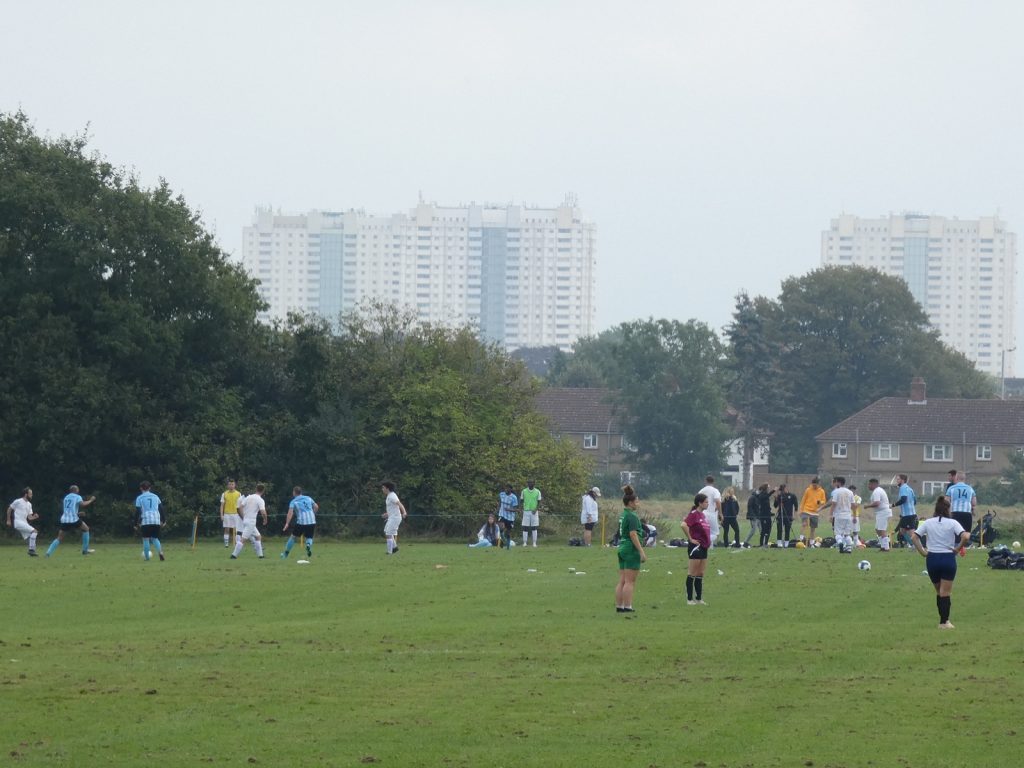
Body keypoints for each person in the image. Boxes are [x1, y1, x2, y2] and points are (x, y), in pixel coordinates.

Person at [911, 496, 970, 629]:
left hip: (932, 558)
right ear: (948, 509)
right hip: (947, 558)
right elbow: (965, 536)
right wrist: (957, 549)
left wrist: (922, 552)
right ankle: (945, 622)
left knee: (939, 591)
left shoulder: (928, 522)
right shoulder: (953, 523)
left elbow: (914, 537)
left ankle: (942, 620)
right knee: (945, 592)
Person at [614, 484, 645, 613]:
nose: (638, 503)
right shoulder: (632, 516)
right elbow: (633, 534)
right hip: (630, 549)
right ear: (630, 502)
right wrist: (641, 551)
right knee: (630, 581)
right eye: (636, 501)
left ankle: (619, 606)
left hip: (622, 547)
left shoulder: (623, 515)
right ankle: (628, 606)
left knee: (622, 580)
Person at [45, 485, 96, 557]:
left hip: (65, 520)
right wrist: (91, 500)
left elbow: (69, 510)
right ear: (76, 490)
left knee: (59, 538)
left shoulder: (66, 498)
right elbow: (83, 504)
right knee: (86, 529)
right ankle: (85, 550)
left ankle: (48, 553)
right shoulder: (77, 497)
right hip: (74, 519)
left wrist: (78, 514)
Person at [681, 493, 712, 605]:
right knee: (692, 573)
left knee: (701, 573)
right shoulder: (694, 514)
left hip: (704, 546)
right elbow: (683, 525)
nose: (708, 504)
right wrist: (690, 539)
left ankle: (699, 598)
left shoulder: (703, 515)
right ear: (700, 503)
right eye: (706, 502)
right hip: (696, 547)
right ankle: (689, 599)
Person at [232, 483, 268, 559]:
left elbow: (240, 507)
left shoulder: (249, 497)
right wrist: (265, 519)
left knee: (258, 536)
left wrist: (244, 516)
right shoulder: (260, 500)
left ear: (256, 489)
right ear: (263, 491)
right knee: (243, 539)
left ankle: (261, 556)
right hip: (251, 522)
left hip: (246, 520)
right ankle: (233, 555)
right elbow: (263, 512)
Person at [281, 486, 318, 559]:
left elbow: (290, 513)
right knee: (309, 537)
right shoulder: (308, 498)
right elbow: (316, 507)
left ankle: (285, 554)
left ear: (294, 492)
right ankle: (308, 545)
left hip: (301, 521)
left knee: (293, 537)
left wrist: (287, 523)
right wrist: (312, 514)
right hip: (312, 520)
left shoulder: (293, 501)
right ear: (301, 492)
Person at [821, 476, 855, 554]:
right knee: (847, 534)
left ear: (838, 482)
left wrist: (830, 515)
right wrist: (854, 515)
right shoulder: (850, 492)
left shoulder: (837, 491)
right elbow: (853, 505)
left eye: (835, 482)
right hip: (848, 515)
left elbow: (833, 504)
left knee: (837, 533)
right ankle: (849, 549)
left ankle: (840, 543)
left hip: (839, 515)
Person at [945, 472, 976, 552]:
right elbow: (974, 503)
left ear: (956, 478)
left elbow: (946, 502)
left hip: (955, 513)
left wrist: (947, 513)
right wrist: (972, 509)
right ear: (964, 478)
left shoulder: (951, 488)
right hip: (966, 513)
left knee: (955, 532)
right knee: (966, 532)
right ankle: (962, 547)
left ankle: (956, 547)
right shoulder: (970, 489)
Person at [135, 481, 166, 562]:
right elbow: (161, 509)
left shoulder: (139, 498)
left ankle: (147, 558)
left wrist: (135, 523)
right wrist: (164, 520)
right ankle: (160, 552)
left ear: (141, 488)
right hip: (156, 520)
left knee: (145, 539)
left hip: (146, 520)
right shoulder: (156, 496)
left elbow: (138, 511)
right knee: (155, 538)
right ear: (149, 488)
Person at [7, 487, 39, 556]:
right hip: (18, 522)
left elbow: (29, 518)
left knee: (30, 538)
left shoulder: (29, 504)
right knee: (35, 531)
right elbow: (9, 509)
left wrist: (35, 517)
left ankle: (32, 553)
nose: (32, 495)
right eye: (30, 494)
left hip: (24, 523)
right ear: (25, 494)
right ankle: (31, 550)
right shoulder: (18, 501)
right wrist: (8, 520)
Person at [863, 478, 892, 551]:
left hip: (883, 512)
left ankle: (886, 548)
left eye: (869, 484)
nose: (868, 486)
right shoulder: (877, 490)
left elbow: (877, 503)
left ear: (874, 484)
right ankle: (883, 546)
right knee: (878, 529)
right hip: (881, 512)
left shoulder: (877, 491)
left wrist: (867, 506)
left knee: (882, 530)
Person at [892, 474, 918, 549]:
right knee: (902, 530)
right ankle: (911, 544)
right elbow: (915, 501)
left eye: (898, 479)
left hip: (908, 514)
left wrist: (893, 505)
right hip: (908, 514)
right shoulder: (910, 489)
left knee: (910, 532)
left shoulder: (903, 488)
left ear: (902, 480)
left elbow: (903, 499)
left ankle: (916, 546)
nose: (897, 481)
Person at [381, 481, 407, 555]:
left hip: (395, 518)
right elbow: (392, 508)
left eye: (383, 487)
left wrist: (404, 512)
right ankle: (395, 548)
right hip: (392, 517)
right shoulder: (389, 496)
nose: (382, 489)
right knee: (387, 531)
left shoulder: (392, 495)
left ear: (387, 488)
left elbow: (399, 504)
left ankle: (390, 552)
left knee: (389, 533)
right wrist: (387, 514)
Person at [697, 475, 722, 549]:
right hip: (711, 514)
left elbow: (696, 502)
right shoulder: (715, 490)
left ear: (705, 481)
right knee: (716, 533)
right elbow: (717, 501)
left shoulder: (701, 491)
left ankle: (709, 547)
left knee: (707, 531)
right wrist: (720, 513)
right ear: (713, 482)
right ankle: (704, 541)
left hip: (702, 513)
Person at [799, 478, 826, 545]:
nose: (814, 486)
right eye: (813, 485)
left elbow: (824, 501)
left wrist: (820, 502)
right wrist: (801, 510)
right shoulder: (808, 490)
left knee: (813, 528)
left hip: (815, 512)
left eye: (815, 485)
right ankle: (801, 538)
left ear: (818, 484)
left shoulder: (822, 491)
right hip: (806, 510)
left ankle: (811, 542)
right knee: (804, 524)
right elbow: (803, 500)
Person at [220, 479, 242, 548]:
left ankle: (236, 543)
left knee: (236, 529)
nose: (231, 486)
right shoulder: (224, 494)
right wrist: (221, 515)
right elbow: (222, 505)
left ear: (234, 485)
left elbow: (241, 505)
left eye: (232, 484)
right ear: (227, 485)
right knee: (227, 529)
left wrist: (241, 515)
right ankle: (226, 544)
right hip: (227, 514)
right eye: (229, 484)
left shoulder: (238, 494)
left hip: (236, 514)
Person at [520, 480, 542, 547]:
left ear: (534, 484)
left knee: (534, 527)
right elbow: (521, 500)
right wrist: (521, 509)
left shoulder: (538, 491)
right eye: (529, 483)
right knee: (525, 527)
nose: (530, 484)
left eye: (531, 483)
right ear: (527, 484)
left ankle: (534, 543)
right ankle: (524, 542)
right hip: (526, 511)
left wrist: (536, 509)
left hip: (534, 511)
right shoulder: (524, 491)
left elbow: (539, 502)